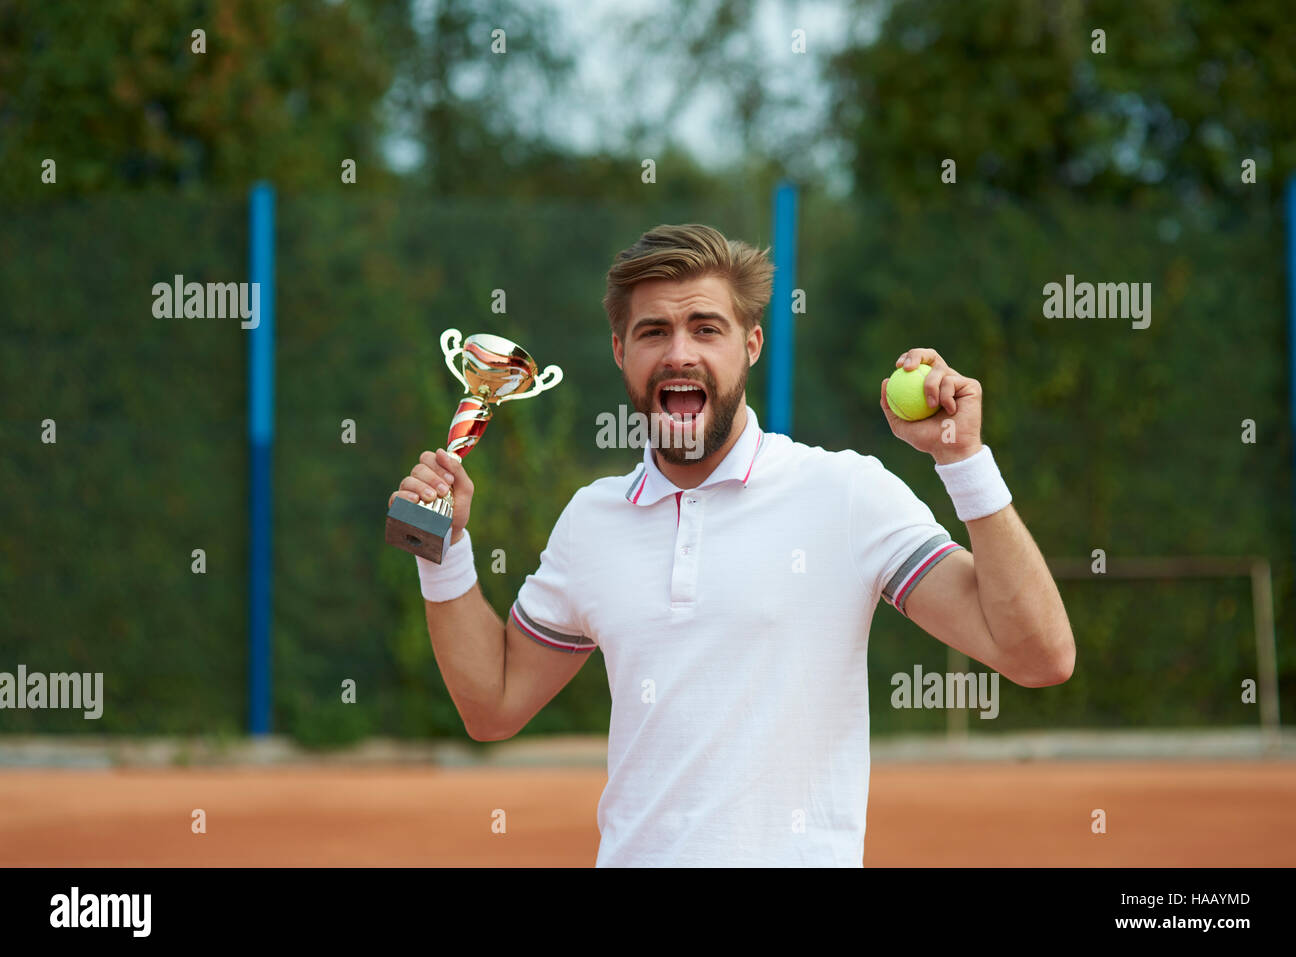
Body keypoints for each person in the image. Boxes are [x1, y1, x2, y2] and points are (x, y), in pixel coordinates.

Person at [388, 223, 1075, 867]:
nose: (679, 350)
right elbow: (493, 705)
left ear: (750, 345)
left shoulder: (846, 492)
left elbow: (1037, 654)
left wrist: (964, 461)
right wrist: (443, 549)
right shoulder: (591, 520)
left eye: (705, 328)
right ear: (622, 354)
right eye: (653, 330)